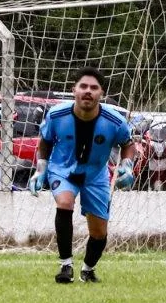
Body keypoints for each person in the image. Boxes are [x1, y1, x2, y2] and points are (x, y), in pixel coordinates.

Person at [29, 67, 136, 284]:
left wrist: (127, 166)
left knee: (99, 232)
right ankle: (65, 266)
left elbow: (128, 144)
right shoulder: (56, 115)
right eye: (83, 86)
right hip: (63, 170)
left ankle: (88, 270)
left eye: (94, 88)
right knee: (65, 202)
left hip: (96, 175)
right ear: (74, 90)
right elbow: (45, 142)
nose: (88, 91)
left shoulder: (115, 121)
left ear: (101, 93)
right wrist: (41, 169)